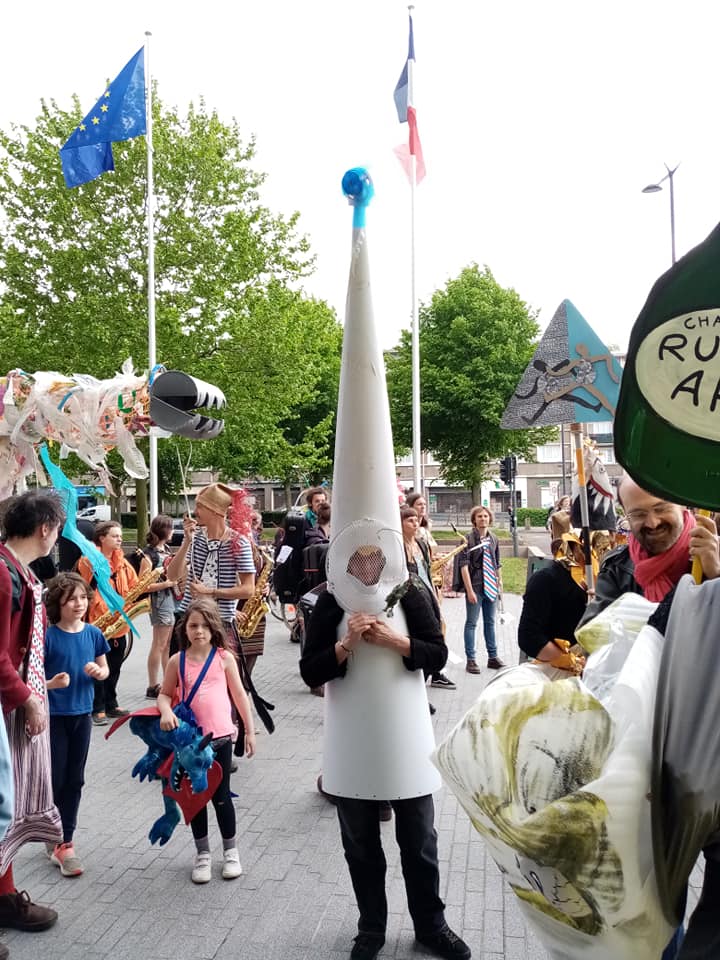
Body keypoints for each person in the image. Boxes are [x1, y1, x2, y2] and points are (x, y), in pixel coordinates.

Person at [299, 551, 471, 960]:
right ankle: (371, 929)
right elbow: (310, 671)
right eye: (357, 559)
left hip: (406, 740)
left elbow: (438, 654)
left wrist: (395, 642)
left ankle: (431, 925)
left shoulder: (409, 592)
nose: (367, 567)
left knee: (420, 840)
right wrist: (346, 645)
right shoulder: (330, 599)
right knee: (360, 844)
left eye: (374, 557)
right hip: (352, 741)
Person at [0, 490, 65, 934]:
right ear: (45, 529)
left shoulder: (14, 569)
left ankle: (4, 895)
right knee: (2, 803)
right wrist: (27, 698)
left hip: (11, 702)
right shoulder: (3, 575)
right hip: (8, 702)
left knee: (8, 802)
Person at [157, 598, 256, 884]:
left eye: (204, 625)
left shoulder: (224, 658)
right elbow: (164, 694)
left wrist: (249, 731)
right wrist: (165, 711)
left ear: (214, 628)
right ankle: (202, 854)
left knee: (221, 797)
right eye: (193, 626)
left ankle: (231, 852)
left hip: (221, 739)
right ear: (184, 629)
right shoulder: (177, 661)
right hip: (190, 744)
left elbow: (240, 696)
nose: (199, 631)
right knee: (196, 798)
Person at [580, 474, 720, 625]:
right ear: (626, 515)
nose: (653, 523)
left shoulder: (711, 556)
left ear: (682, 505)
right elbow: (591, 633)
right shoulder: (617, 568)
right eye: (638, 514)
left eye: (661, 509)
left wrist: (716, 577)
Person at [44, 572, 109, 877]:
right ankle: (54, 833)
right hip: (53, 718)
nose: (79, 603)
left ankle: (65, 841)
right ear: (57, 602)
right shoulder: (47, 636)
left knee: (76, 779)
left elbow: (105, 669)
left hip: (82, 716)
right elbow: (30, 678)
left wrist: (99, 671)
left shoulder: (94, 633)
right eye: (72, 599)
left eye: (83, 597)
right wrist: (51, 684)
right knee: (57, 778)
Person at [166, 484, 256, 656]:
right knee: (181, 670)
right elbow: (172, 575)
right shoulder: (195, 538)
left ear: (215, 510)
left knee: (215, 671)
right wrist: (186, 542)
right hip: (188, 618)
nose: (195, 511)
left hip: (219, 622)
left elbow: (248, 589)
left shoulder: (238, 542)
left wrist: (211, 592)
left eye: (200, 506)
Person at [77, 521, 141, 725]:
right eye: (115, 536)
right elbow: (83, 586)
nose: (120, 539)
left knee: (115, 666)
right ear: (102, 538)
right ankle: (97, 707)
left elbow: (134, 587)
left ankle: (111, 702)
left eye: (120, 536)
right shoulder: (88, 560)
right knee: (98, 667)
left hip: (119, 624)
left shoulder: (123, 563)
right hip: (97, 623)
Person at [517, 535, 588, 671]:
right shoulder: (546, 579)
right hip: (560, 673)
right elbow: (530, 637)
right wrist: (573, 662)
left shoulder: (608, 578)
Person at [406, 495, 455, 690]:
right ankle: (424, 680)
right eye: (410, 520)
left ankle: (432, 674)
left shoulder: (421, 542)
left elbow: (426, 567)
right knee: (426, 636)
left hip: (428, 591)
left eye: (415, 520)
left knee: (437, 630)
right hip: (415, 597)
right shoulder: (399, 546)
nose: (415, 523)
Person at [458, 506, 505, 673]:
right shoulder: (467, 539)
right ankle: (471, 660)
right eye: (479, 516)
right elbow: (463, 566)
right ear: (474, 520)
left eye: (485, 516)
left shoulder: (494, 538)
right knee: (471, 623)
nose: (483, 519)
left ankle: (493, 657)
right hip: (476, 586)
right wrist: (469, 590)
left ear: (489, 519)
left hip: (490, 586)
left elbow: (496, 562)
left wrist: (499, 582)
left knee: (490, 622)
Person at [143, 515, 180, 699]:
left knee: (166, 644)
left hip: (169, 598)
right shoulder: (149, 555)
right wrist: (167, 584)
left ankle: (166, 682)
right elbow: (143, 585)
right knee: (159, 643)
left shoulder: (165, 550)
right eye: (171, 528)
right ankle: (152, 685)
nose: (173, 532)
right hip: (160, 599)